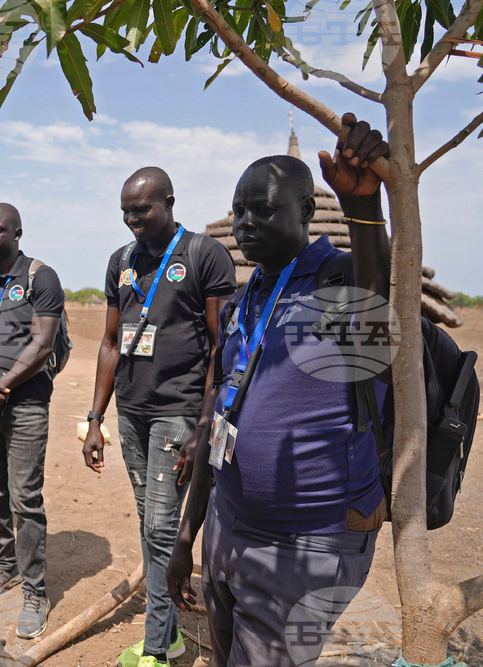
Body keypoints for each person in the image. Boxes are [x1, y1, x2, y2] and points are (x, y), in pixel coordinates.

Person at [165, 114, 391, 667]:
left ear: (307, 212)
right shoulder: (246, 300)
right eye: (238, 210)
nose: (243, 223)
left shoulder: (339, 280)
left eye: (262, 209)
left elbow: (375, 299)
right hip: (226, 524)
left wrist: (363, 207)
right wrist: (186, 537)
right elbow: (217, 420)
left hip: (305, 544)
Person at [83, 167, 236, 667]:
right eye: (126, 211)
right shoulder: (121, 262)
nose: (132, 219)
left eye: (142, 209)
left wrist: (202, 425)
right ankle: (169, 633)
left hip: (179, 411)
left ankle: (155, 650)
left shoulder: (202, 255)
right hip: (131, 413)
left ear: (169, 202)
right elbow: (109, 343)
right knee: (152, 522)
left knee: (162, 527)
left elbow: (220, 348)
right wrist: (94, 417)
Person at [0, 203, 65, 639]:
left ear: (17, 232)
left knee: (25, 498)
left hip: (24, 405)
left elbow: (43, 344)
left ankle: (35, 590)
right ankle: (4, 565)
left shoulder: (39, 277)